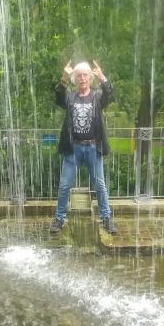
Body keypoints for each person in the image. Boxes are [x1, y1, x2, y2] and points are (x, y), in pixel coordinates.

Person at [50, 60, 118, 234]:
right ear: (75, 79)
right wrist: (64, 79)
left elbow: (111, 95)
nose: (82, 78)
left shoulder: (97, 96)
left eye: (85, 75)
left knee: (100, 185)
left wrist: (102, 77)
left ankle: (106, 218)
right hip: (73, 148)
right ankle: (59, 218)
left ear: (90, 78)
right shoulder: (70, 97)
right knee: (65, 185)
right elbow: (58, 97)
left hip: (93, 148)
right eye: (79, 75)